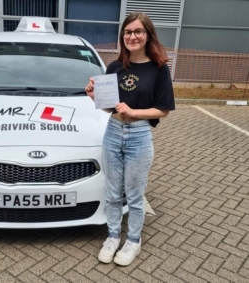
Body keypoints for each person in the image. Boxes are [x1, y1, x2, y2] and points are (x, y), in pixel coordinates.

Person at [85, 12, 175, 266]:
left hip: (139, 135)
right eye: (128, 32)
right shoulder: (114, 68)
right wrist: (95, 98)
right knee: (113, 193)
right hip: (113, 133)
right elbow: (110, 108)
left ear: (147, 35)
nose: (132, 36)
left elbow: (164, 109)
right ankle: (113, 236)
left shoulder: (159, 70)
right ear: (122, 35)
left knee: (134, 195)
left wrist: (134, 112)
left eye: (138, 31)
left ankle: (133, 240)